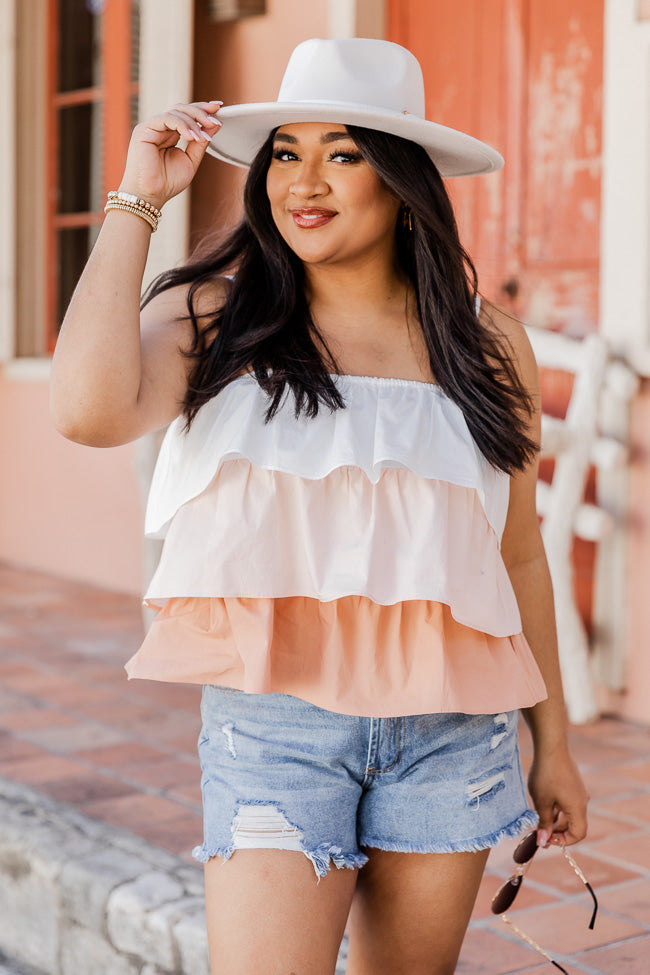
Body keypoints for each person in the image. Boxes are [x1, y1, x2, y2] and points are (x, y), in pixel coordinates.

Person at [51, 37, 589, 975]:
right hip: (275, 729)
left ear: (403, 183)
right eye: (286, 154)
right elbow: (86, 410)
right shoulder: (217, 321)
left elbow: (520, 556)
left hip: (452, 734)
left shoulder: (487, 342)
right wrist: (138, 200)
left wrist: (556, 744)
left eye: (343, 154)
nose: (306, 180)